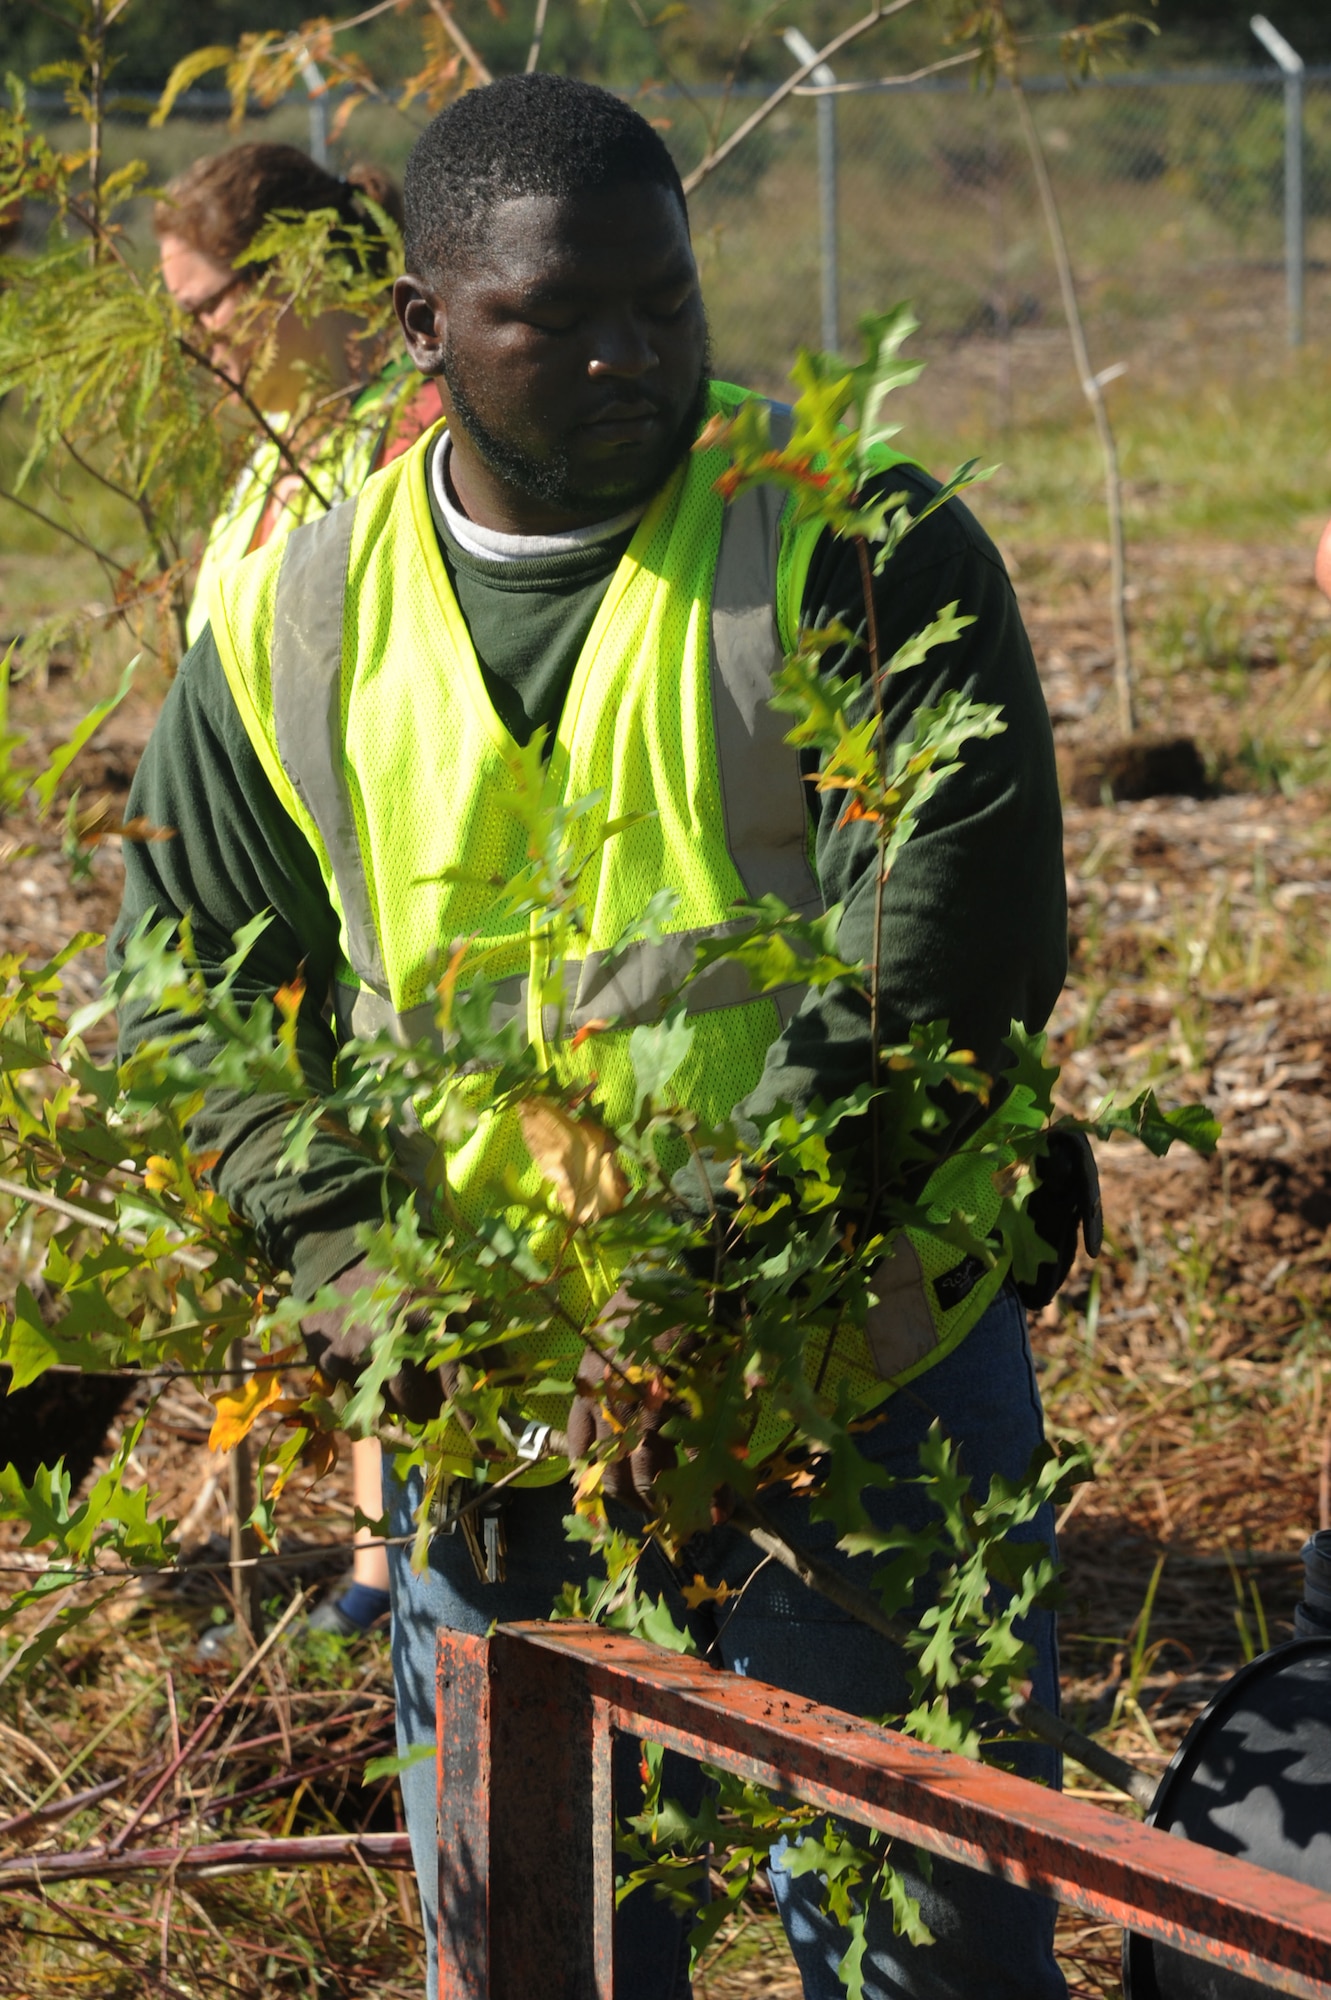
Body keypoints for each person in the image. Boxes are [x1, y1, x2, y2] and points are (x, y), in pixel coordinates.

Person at [112, 75, 1069, 1999]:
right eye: (559, 318)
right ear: (426, 330)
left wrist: (704, 1286)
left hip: (852, 1362)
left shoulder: (851, 541)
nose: (634, 356)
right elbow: (193, 991)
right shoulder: (305, 611)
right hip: (492, 1401)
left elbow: (948, 949)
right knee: (540, 1942)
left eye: (668, 301)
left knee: (923, 1954)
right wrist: (376, 1285)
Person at [157, 140, 443, 1638]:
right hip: (272, 902)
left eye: (210, 308)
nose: (196, 342)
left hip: (376, 906)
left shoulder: (407, 445)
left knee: (396, 1230)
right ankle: (373, 1565)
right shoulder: (275, 468)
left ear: (301, 283)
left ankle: (399, 1579)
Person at [155, 142, 443, 647]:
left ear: (293, 267)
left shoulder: (424, 425)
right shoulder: (264, 452)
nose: (192, 339)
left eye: (204, 307)